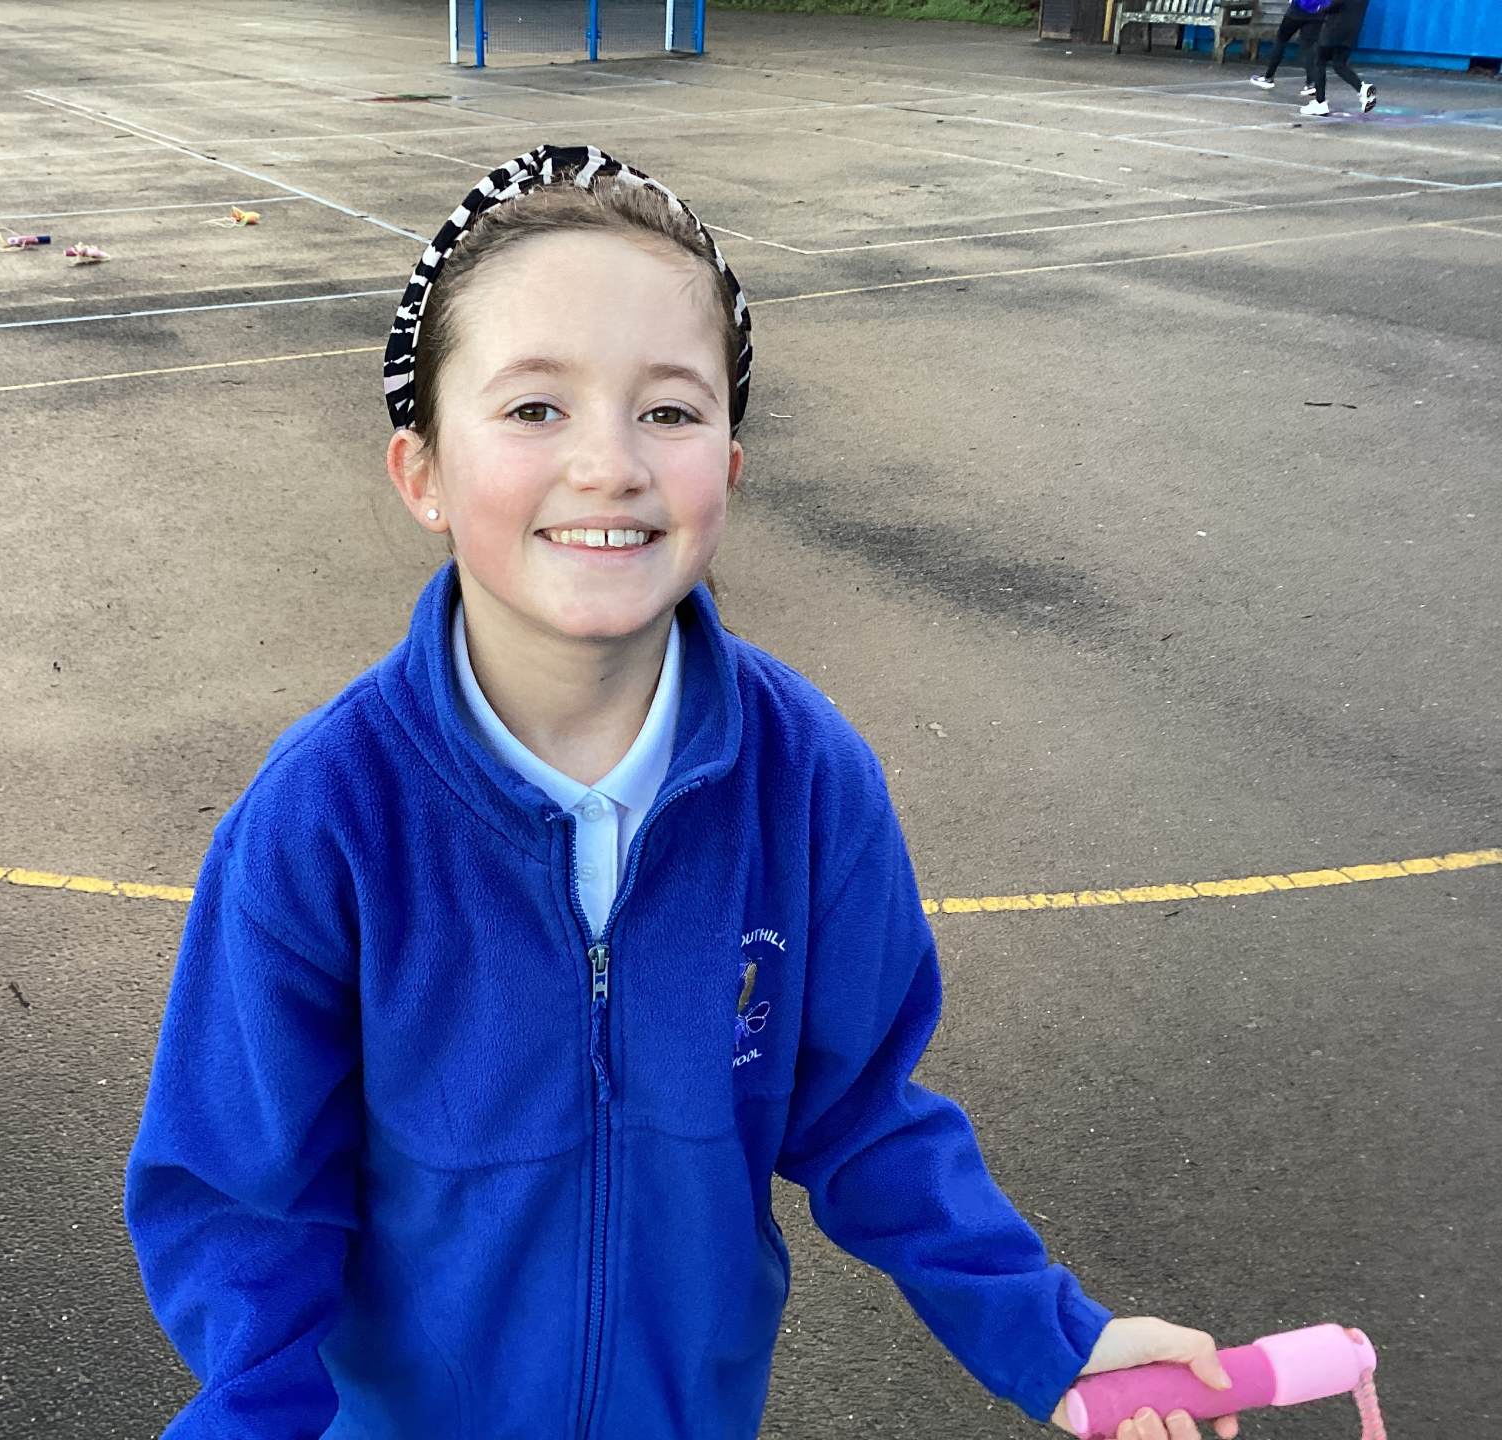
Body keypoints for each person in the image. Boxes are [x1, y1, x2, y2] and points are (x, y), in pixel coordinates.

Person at [124, 143, 1243, 1440]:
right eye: (534, 408)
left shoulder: (806, 779)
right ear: (420, 471)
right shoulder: (325, 819)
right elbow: (243, 1201)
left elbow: (865, 1113)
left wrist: (1054, 1338)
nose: (610, 464)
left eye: (668, 411)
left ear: (733, 465)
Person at [1303, 0, 1378, 116]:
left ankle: (1320, 102)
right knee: (1339, 64)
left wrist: (1318, 8)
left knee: (1318, 61)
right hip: (1351, 32)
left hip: (1334, 28)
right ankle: (1362, 89)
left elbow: (1333, 5)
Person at [1249, 0, 1331, 98]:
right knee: (1308, 47)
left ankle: (1268, 77)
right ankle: (1311, 83)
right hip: (1318, 13)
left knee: (1281, 40)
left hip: (1297, 10)